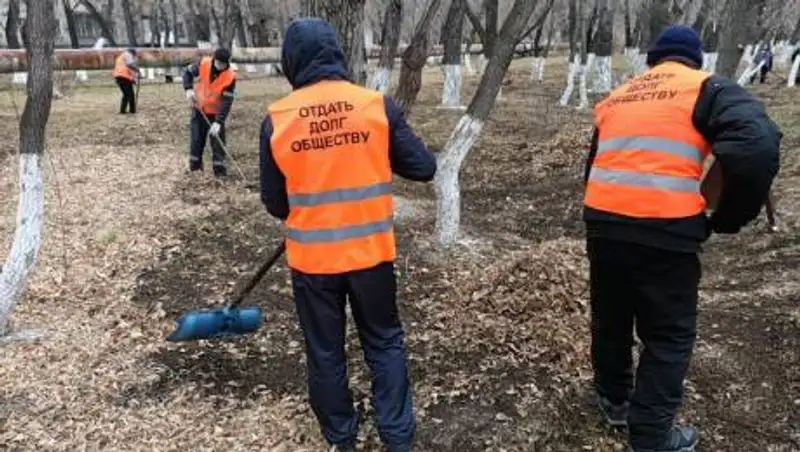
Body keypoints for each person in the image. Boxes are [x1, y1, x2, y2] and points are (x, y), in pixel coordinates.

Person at [582, 25, 781, 452]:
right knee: (668, 335)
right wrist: (727, 218)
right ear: (696, 59)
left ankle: (614, 400)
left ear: (652, 60)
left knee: (611, 319)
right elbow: (759, 143)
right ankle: (652, 438)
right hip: (666, 230)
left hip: (603, 223)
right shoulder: (706, 88)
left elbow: (595, 161)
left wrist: (602, 217)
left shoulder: (620, 95)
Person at [259, 18, 437, 452]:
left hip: (314, 263)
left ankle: (342, 437)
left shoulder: (277, 120)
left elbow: (276, 204)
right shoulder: (375, 107)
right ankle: (397, 436)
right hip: (371, 255)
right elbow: (423, 167)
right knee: (384, 342)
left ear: (291, 61)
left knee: (325, 351)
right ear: (336, 54)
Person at [181, 47, 236, 177]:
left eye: (223, 64)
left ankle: (220, 173)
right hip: (199, 110)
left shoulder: (230, 76)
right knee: (196, 140)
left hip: (216, 114)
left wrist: (219, 122)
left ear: (227, 63)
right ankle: (195, 171)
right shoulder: (203, 63)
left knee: (218, 144)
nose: (220, 66)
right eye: (218, 62)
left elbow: (227, 102)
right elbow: (187, 72)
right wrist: (188, 89)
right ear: (214, 59)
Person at [112, 48, 140, 114]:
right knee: (130, 95)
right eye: (134, 55)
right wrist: (137, 69)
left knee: (126, 94)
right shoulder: (127, 54)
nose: (134, 56)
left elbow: (127, 68)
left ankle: (123, 110)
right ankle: (132, 111)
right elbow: (130, 64)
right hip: (123, 77)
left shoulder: (121, 57)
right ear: (132, 53)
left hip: (119, 77)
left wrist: (132, 80)